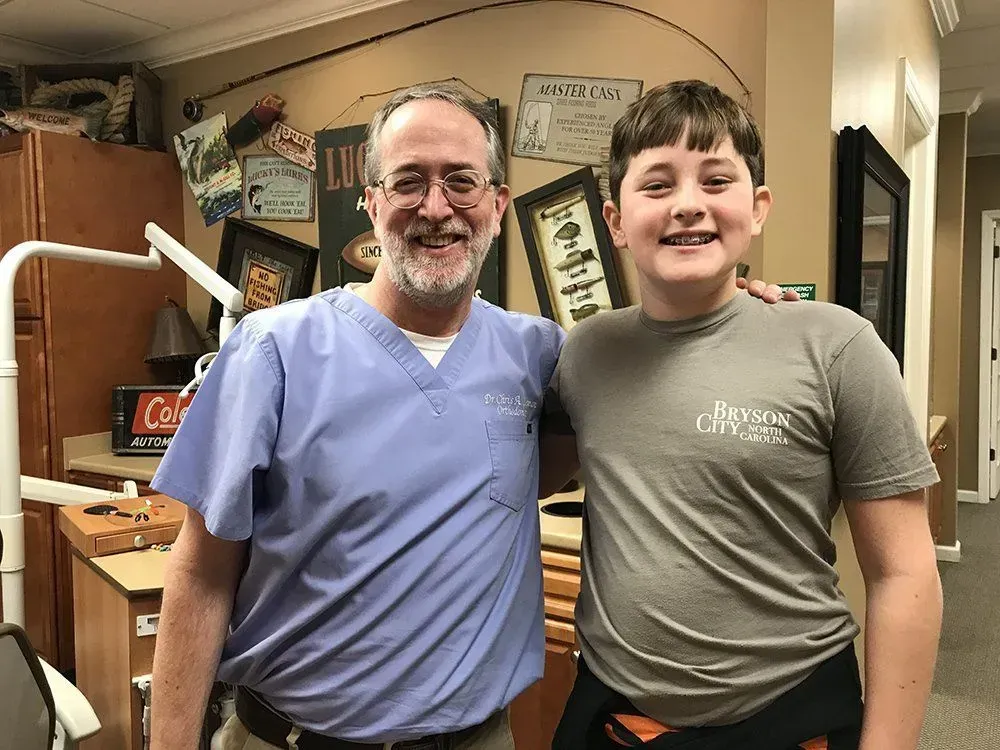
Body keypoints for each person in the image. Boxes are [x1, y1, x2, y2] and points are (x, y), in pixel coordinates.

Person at [148, 82, 790, 750]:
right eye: (407, 182)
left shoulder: (539, 354)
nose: (436, 207)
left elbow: (643, 376)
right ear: (372, 204)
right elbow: (199, 572)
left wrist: (728, 307)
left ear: (497, 204)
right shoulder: (272, 352)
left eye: (461, 181)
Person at [544, 80, 943, 750]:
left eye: (716, 179)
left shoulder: (836, 346)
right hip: (615, 715)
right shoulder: (585, 353)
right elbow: (519, 479)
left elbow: (905, 572)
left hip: (790, 718)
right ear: (614, 221)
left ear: (757, 207)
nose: (689, 205)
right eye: (658, 184)